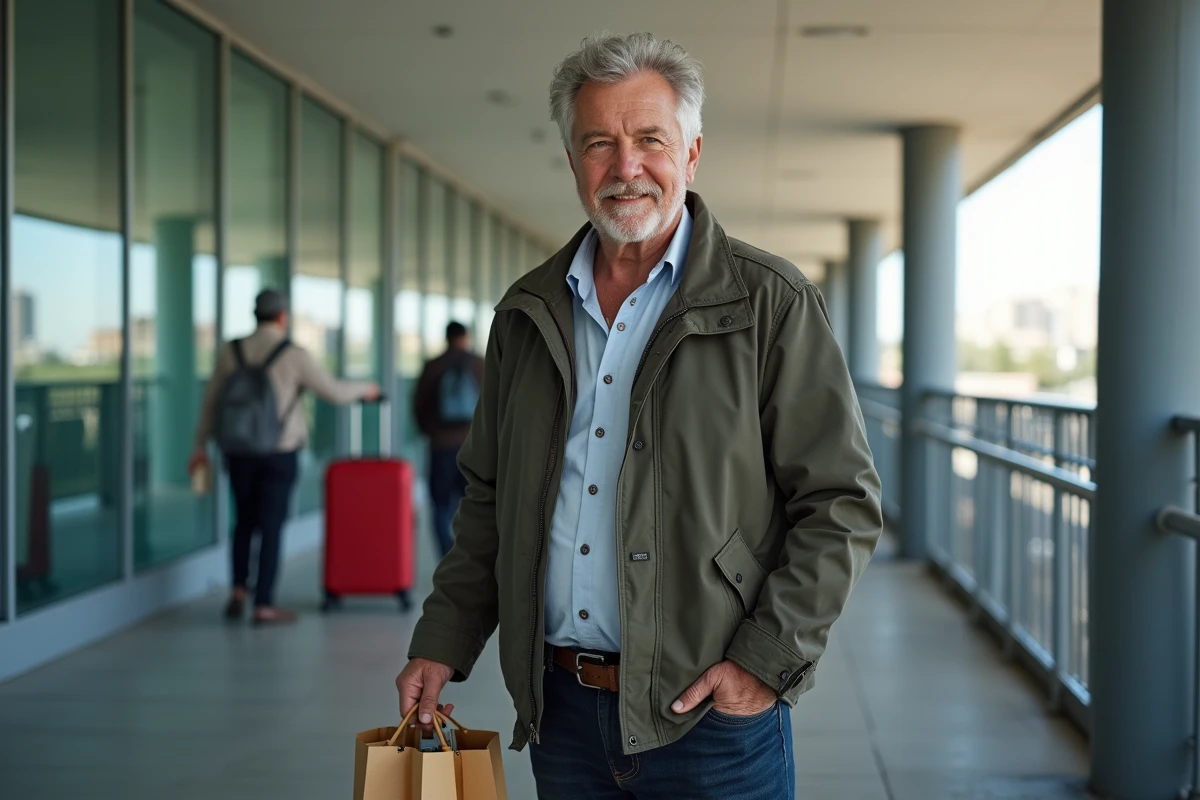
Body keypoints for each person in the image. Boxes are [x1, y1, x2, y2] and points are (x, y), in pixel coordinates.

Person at [395, 33, 883, 798]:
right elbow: (487, 496)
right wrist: (442, 641)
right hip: (559, 718)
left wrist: (764, 661)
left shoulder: (768, 303)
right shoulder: (527, 313)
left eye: (649, 139)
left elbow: (840, 502)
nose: (626, 167)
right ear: (572, 162)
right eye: (600, 144)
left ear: (690, 155)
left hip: (709, 724)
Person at [189, 288, 379, 625]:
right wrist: (366, 389)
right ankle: (263, 604)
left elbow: (210, 402)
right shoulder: (292, 354)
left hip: (239, 450)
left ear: (254, 315)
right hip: (280, 451)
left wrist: (199, 445)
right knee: (272, 526)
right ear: (282, 316)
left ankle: (237, 590)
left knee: (244, 521)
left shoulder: (231, 351)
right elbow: (333, 392)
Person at [413, 321, 485, 558]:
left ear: (446, 338)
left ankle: (446, 555)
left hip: (440, 446)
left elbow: (418, 406)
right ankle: (469, 556)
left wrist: (431, 431)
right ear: (465, 337)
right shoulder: (479, 364)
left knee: (440, 505)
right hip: (472, 446)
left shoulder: (433, 366)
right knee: (474, 505)